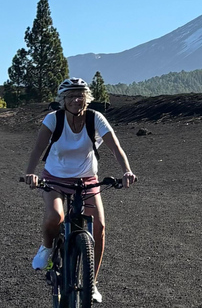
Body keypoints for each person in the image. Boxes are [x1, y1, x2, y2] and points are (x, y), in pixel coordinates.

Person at [24, 77, 137, 304]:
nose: (77, 99)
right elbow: (38, 148)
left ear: (88, 98)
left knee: (100, 226)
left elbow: (116, 147)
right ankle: (46, 248)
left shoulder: (96, 119)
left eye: (81, 95)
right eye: (71, 96)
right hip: (55, 178)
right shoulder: (53, 119)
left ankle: (91, 283)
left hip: (86, 180)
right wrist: (30, 173)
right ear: (62, 100)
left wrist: (126, 170)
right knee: (55, 217)